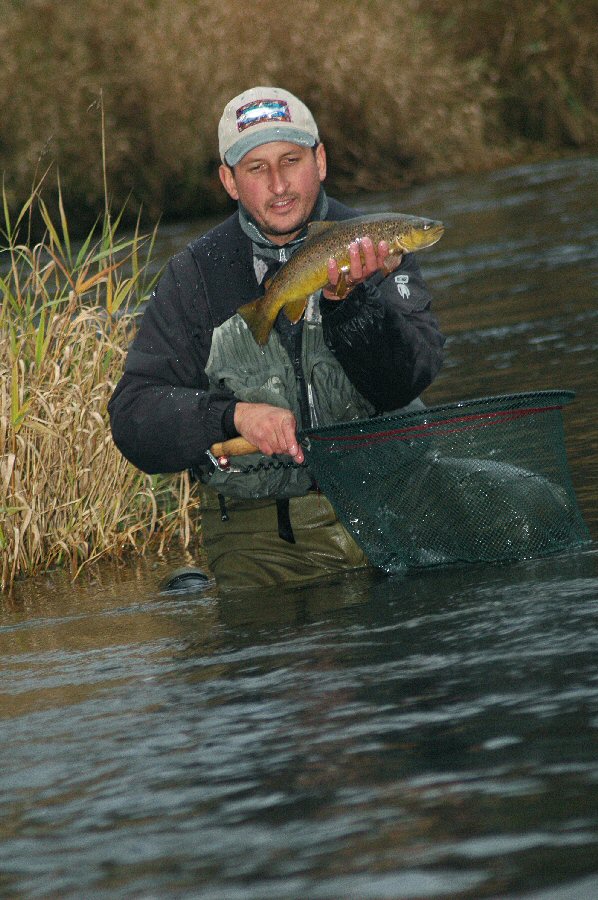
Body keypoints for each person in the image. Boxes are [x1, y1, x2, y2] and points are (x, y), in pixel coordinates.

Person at [108, 86, 445, 590]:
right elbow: (135, 416)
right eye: (257, 168)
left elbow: (410, 377)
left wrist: (351, 307)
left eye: (291, 160)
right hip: (264, 538)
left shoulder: (374, 244)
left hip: (395, 503)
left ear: (320, 161)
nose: (279, 184)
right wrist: (232, 415)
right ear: (229, 181)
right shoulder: (194, 276)